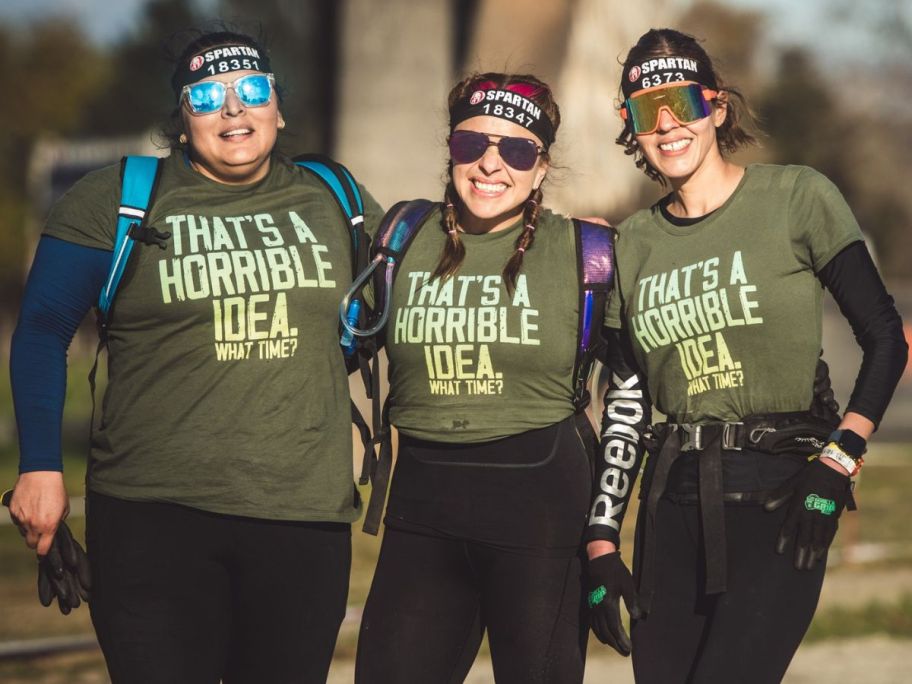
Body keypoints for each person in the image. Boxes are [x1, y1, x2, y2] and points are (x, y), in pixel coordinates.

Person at [7, 28, 382, 683]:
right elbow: (41, 330)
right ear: (182, 120)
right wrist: (40, 466)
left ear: (278, 108)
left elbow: (412, 305)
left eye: (252, 90)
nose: (233, 109)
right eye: (207, 96)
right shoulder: (115, 201)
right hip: (152, 520)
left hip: (301, 520)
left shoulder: (336, 198)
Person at [584, 28, 908, 683]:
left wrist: (840, 461)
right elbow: (625, 402)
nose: (668, 125)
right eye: (648, 111)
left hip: (783, 500)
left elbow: (884, 336)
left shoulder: (797, 198)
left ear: (718, 107)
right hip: (671, 510)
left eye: (683, 103)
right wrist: (601, 539)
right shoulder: (633, 245)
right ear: (631, 128)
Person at [353, 72, 618, 683]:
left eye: (517, 149)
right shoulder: (400, 238)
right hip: (421, 511)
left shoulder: (587, 251)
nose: (491, 164)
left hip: (541, 515)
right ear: (450, 149)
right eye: (472, 145)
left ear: (542, 165)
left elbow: (639, 385)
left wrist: (606, 526)